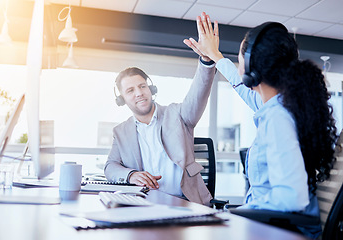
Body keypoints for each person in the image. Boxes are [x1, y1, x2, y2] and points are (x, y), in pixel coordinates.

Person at [184, 12, 338, 238]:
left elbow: (291, 198)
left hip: (277, 231)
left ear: (252, 65)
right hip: (271, 226)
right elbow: (242, 87)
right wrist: (216, 57)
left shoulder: (278, 117)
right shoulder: (279, 105)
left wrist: (232, 215)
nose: (238, 63)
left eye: (239, 57)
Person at [104, 56, 216, 206]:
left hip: (187, 203)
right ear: (122, 99)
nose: (139, 93)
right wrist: (131, 175)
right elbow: (110, 166)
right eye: (130, 90)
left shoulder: (178, 114)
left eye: (142, 86)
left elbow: (199, 93)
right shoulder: (121, 132)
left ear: (150, 89)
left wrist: (206, 64)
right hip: (145, 204)